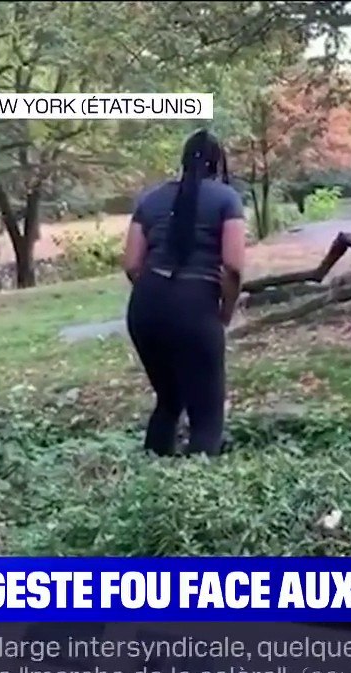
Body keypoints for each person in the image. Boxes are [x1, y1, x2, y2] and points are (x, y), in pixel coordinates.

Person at [122, 129, 247, 457]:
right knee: (207, 414)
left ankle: (154, 470)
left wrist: (159, 296)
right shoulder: (226, 199)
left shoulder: (150, 200)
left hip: (145, 306)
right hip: (195, 304)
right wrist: (226, 311)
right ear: (217, 164)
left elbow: (132, 264)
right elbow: (233, 266)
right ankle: (200, 487)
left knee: (169, 399)